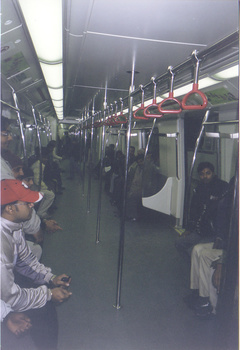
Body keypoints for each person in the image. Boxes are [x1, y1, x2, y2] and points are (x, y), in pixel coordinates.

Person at [1, 179, 72, 349]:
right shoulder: (1, 247)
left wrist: (50, 278)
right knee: (44, 311)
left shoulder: (14, 226)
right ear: (10, 208)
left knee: (44, 308)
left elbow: (26, 260)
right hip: (5, 293)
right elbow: (10, 296)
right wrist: (47, 294)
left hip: (4, 288)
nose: (32, 205)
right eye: (26, 202)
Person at [183, 177, 235, 318]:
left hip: (234, 249)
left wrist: (222, 261)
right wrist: (219, 239)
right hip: (227, 244)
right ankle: (197, 291)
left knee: (205, 254)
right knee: (197, 249)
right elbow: (222, 226)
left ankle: (207, 302)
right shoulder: (228, 202)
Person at [175, 162, 228, 256]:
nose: (205, 176)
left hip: (214, 233)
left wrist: (220, 236)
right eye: (202, 174)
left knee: (192, 251)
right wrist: (189, 229)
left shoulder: (222, 188)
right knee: (179, 243)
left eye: (208, 173)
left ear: (213, 173)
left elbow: (224, 216)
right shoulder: (198, 189)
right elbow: (193, 211)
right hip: (200, 231)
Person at [126, 153, 145, 221]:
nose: (140, 163)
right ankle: (129, 214)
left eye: (141, 161)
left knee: (132, 196)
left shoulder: (146, 169)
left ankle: (133, 215)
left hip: (141, 188)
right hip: (135, 186)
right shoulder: (137, 168)